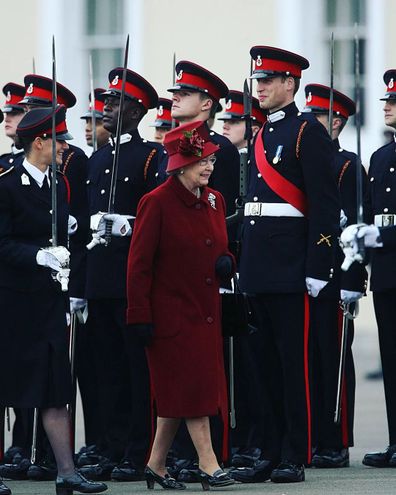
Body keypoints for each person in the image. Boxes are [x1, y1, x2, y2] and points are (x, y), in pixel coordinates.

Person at [237, 46, 340, 483]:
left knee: (291, 366)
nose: (258, 87)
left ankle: (294, 453)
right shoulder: (260, 135)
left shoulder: (306, 133)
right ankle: (269, 448)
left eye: (268, 80)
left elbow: (324, 204)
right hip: (259, 266)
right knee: (261, 366)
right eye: (257, 80)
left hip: (292, 267)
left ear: (289, 84)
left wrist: (319, 265)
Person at [0, 105, 107, 495]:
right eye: (57, 141)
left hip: (47, 300)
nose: (64, 147)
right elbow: (3, 242)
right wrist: (37, 255)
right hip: (13, 302)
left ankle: (67, 471)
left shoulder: (58, 183)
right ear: (39, 141)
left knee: (54, 387)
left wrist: (75, 240)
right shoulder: (6, 182)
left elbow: (60, 235)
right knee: (6, 386)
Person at [126, 120, 235, 490]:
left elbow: (219, 248)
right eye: (201, 160)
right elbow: (138, 266)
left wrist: (227, 262)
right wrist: (138, 315)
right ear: (180, 165)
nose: (208, 166)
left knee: (179, 395)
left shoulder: (215, 201)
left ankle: (155, 466)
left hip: (205, 313)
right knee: (192, 393)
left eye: (211, 160)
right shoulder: (155, 203)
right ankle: (209, 465)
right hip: (169, 317)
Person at [81, 67, 166, 482]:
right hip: (99, 279)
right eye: (107, 102)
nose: (107, 108)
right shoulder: (98, 158)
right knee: (107, 370)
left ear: (137, 110)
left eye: (116, 103)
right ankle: (112, 447)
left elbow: (158, 219)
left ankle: (138, 451)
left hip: (131, 282)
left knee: (136, 371)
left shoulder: (152, 156)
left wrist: (128, 224)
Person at [303, 83, 369, 468]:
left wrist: (352, 284)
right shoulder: (308, 162)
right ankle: (314, 435)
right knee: (309, 360)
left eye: (320, 117)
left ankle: (337, 439)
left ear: (338, 122)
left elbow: (358, 231)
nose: (312, 124)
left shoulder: (347, 166)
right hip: (308, 272)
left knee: (334, 360)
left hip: (337, 274)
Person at [342, 69, 396, 468]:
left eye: (394, 101)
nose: (387, 106)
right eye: (386, 100)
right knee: (391, 357)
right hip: (388, 271)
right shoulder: (380, 156)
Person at [0, 83, 26, 171]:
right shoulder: (3, 161)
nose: (6, 119)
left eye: (14, 113)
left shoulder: (42, 160)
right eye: (6, 114)